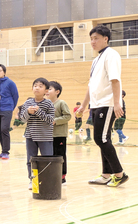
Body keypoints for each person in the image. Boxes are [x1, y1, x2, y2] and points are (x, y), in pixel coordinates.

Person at [77, 25, 129, 187]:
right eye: (91, 39)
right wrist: (83, 106)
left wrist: (116, 103)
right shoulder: (95, 60)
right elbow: (91, 86)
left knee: (101, 138)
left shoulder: (111, 55)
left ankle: (119, 174)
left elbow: (115, 80)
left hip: (107, 104)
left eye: (96, 38)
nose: (93, 42)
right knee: (101, 138)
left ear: (105, 39)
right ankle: (106, 174)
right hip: (96, 105)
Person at [19, 77, 54, 190]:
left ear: (46, 91)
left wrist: (38, 111)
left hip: (45, 137)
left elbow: (50, 120)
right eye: (35, 86)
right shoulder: (28, 103)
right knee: (31, 159)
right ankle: (32, 180)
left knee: (47, 160)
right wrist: (28, 112)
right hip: (30, 137)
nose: (37, 88)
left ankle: (47, 180)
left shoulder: (49, 103)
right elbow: (22, 119)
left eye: (40, 86)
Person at [0, 64, 19, 160]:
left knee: (4, 129)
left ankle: (6, 152)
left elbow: (15, 96)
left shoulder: (10, 83)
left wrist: (11, 107)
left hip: (7, 109)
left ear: (4, 72)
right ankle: (3, 151)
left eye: (0, 70)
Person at [46, 81, 71, 184]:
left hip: (59, 135)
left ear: (57, 91)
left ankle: (62, 176)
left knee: (60, 155)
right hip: (48, 135)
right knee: (49, 155)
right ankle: (52, 174)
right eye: (46, 89)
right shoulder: (45, 104)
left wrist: (55, 121)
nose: (47, 91)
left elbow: (68, 116)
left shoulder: (61, 103)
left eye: (50, 89)